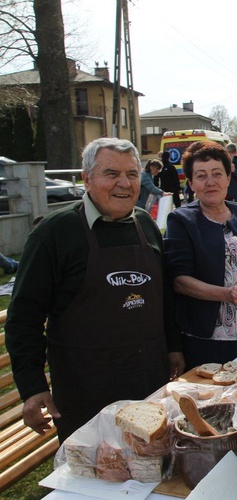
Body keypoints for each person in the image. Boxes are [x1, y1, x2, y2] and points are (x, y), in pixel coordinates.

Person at [5, 138, 185, 443]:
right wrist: (33, 386)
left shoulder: (146, 224)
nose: (124, 184)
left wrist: (173, 346)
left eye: (131, 174)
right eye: (111, 174)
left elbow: (163, 296)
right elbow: (24, 317)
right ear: (86, 179)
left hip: (150, 383)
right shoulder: (54, 234)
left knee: (154, 469)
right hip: (87, 391)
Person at [164, 141, 237, 369]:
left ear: (228, 178)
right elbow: (179, 281)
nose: (211, 182)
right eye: (201, 176)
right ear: (191, 183)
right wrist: (226, 294)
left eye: (217, 174)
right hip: (206, 338)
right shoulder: (182, 221)